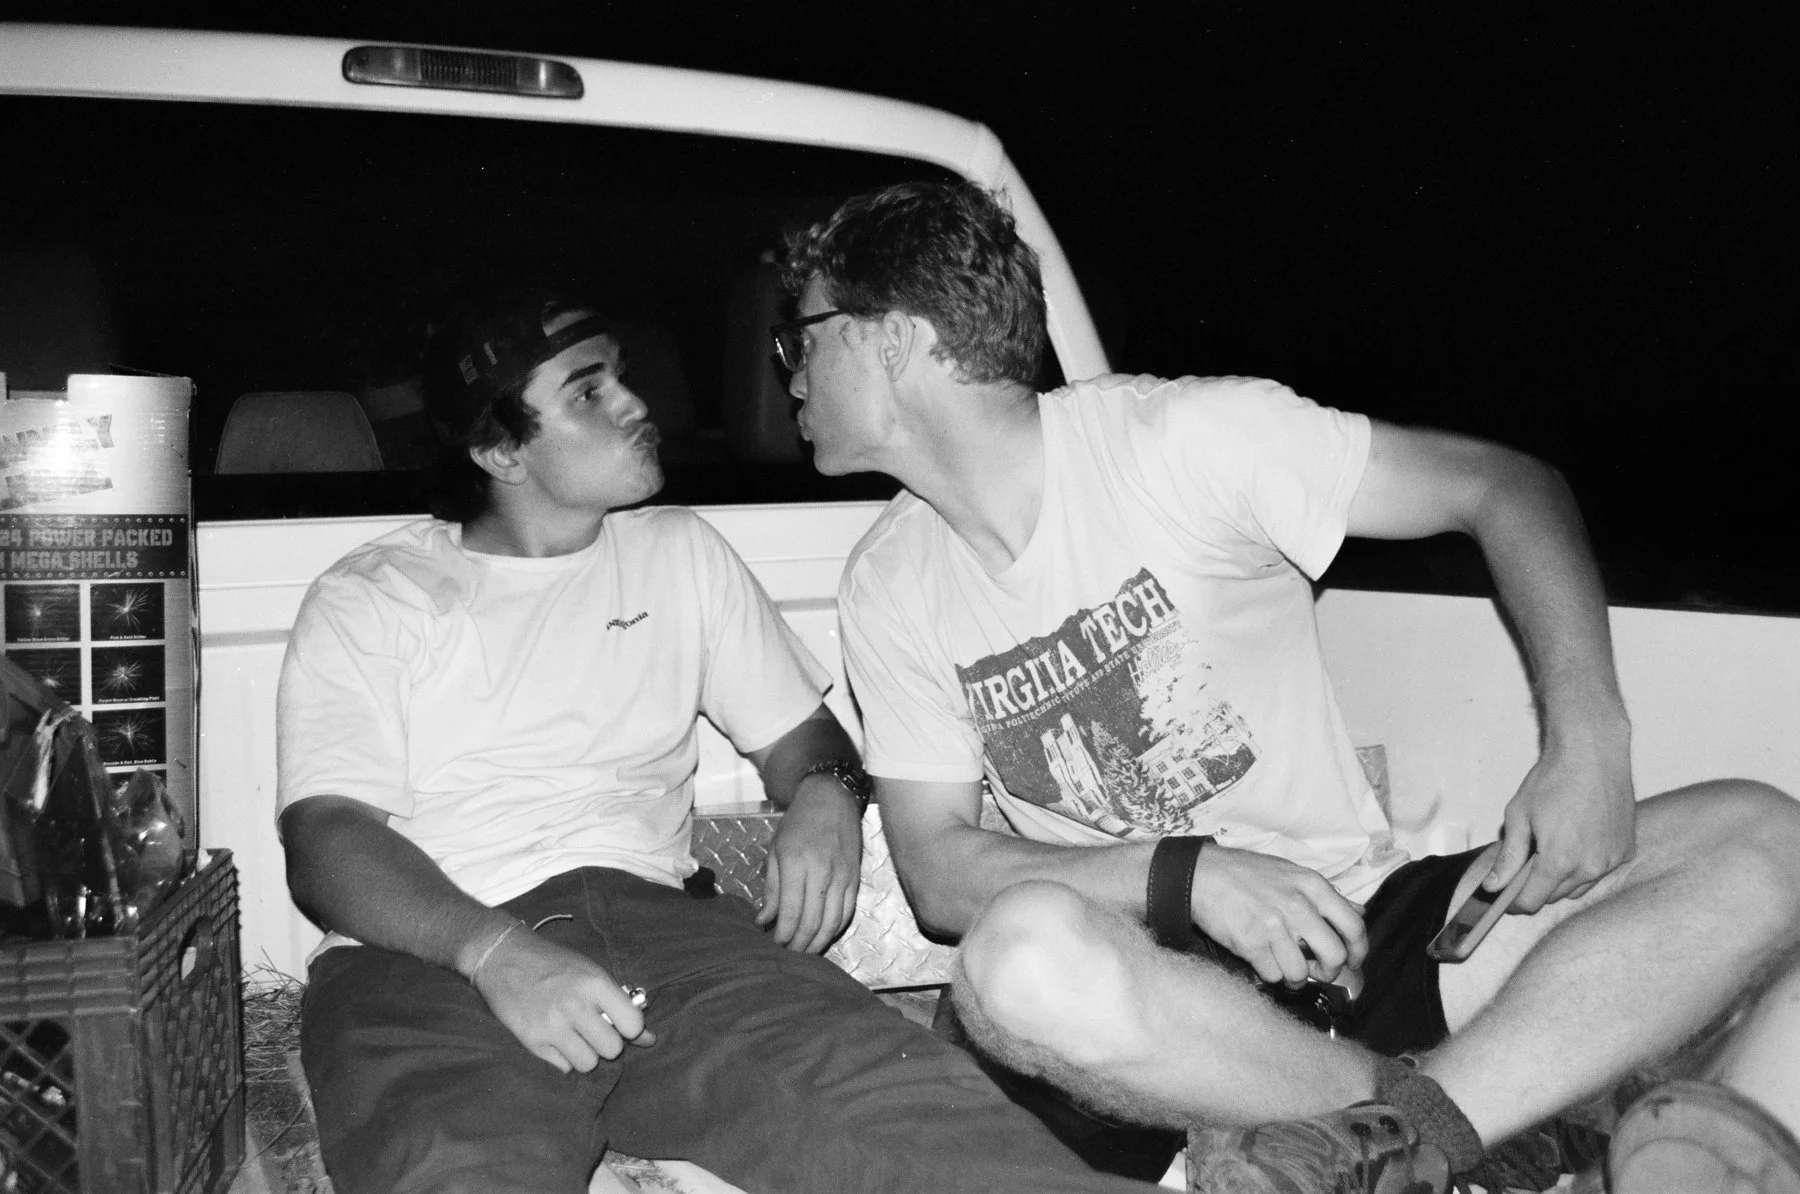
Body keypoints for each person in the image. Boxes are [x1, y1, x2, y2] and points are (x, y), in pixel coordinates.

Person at [776, 181, 1800, 1194]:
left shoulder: (1181, 443)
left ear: (890, 340)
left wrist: (1587, 743)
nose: (787, 369)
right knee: (1012, 963)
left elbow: (1504, 487)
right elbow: (940, 876)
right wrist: (1191, 876)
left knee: (1764, 836)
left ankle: (1404, 1136)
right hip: (1169, 1008)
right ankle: (1472, 1120)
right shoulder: (890, 583)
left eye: (802, 336)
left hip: (1364, 930)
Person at [276, 286, 1162, 1194]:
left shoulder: (678, 553)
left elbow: (805, 738)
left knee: (936, 1129)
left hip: (672, 942)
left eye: (621, 376)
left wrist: (826, 795)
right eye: (588, 393)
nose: (635, 403)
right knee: (456, 1170)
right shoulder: (377, 594)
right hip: (432, 960)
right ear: (501, 449)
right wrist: (499, 954)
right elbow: (326, 841)